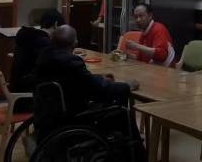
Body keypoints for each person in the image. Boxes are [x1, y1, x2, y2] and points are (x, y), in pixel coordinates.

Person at [33, 25, 145, 161]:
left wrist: (98, 78)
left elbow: (79, 81)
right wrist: (126, 86)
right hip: (73, 119)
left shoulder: (44, 57)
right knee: (122, 113)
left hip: (49, 118)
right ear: (75, 43)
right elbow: (98, 90)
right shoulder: (71, 62)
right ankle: (138, 157)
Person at [9, 8, 65, 112]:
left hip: (16, 95)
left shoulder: (27, 35)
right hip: (30, 100)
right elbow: (56, 65)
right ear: (56, 24)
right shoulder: (44, 43)